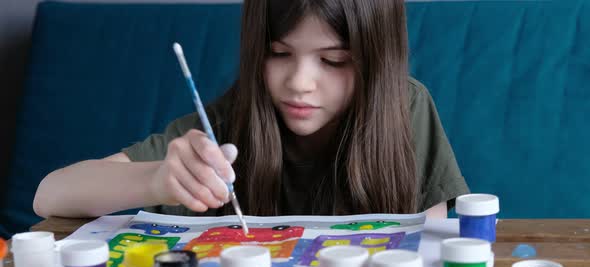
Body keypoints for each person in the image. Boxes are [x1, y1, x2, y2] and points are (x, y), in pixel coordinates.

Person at [33, 0, 468, 221]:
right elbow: (49, 194)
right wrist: (158, 180)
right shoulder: (228, 122)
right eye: (279, 53)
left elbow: (431, 246)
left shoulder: (404, 105)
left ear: (377, 60)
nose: (299, 82)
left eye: (334, 60)